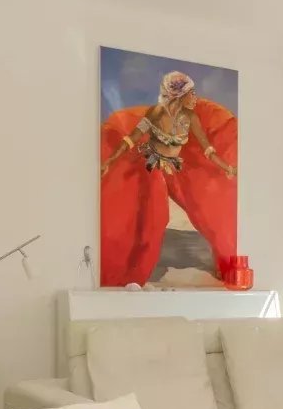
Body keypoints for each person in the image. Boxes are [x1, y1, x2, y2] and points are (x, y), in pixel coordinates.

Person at [98, 71, 239, 286]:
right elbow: (130, 139)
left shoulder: (191, 118)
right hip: (148, 160)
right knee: (151, 211)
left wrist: (227, 167)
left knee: (205, 197)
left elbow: (207, 150)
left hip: (176, 165)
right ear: (179, 96)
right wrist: (110, 160)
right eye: (191, 93)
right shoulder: (156, 113)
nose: (195, 97)